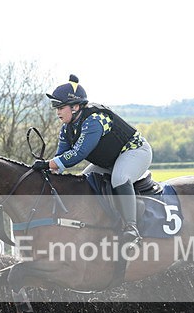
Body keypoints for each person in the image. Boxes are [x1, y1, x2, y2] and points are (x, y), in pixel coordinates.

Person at [33, 75, 153, 247]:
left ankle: (131, 228)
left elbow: (77, 154)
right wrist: (49, 170)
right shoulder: (67, 129)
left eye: (60, 107)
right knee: (84, 182)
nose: (57, 111)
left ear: (75, 106)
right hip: (110, 160)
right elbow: (61, 158)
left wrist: (47, 164)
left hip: (135, 151)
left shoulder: (94, 120)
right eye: (55, 107)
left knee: (119, 179)